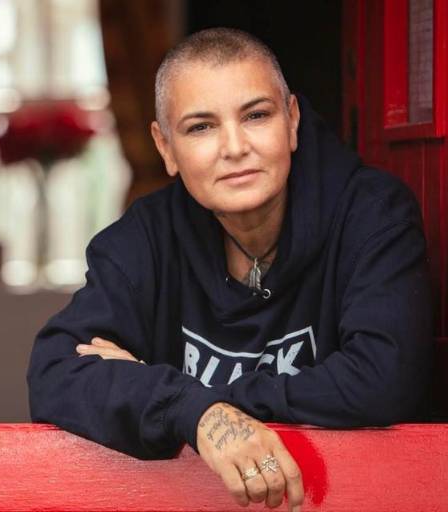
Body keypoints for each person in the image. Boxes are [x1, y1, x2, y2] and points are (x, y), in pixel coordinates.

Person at [26, 27, 432, 511]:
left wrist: (201, 402)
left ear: (292, 120)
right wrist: (194, 412)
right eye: (201, 127)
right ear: (165, 148)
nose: (235, 146)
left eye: (256, 115)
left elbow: (383, 379)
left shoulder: (373, 215)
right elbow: (55, 372)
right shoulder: (144, 238)